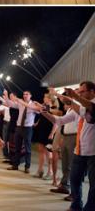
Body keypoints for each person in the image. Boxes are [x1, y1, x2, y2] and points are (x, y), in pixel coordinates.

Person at [35, 82, 95, 211]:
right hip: (80, 150)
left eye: (82, 91)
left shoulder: (89, 105)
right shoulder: (79, 107)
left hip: (93, 152)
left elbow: (90, 115)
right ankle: (76, 205)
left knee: (93, 185)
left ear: (92, 92)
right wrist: (44, 111)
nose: (79, 94)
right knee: (74, 180)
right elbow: (60, 120)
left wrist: (72, 98)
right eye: (78, 92)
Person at [2, 89, 40, 173]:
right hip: (19, 127)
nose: (25, 96)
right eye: (24, 94)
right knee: (17, 147)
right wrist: (7, 96)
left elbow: (39, 111)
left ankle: (27, 166)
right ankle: (15, 165)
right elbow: (10, 104)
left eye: (27, 94)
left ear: (30, 96)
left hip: (28, 128)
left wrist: (36, 122)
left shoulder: (34, 104)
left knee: (27, 148)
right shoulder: (20, 103)